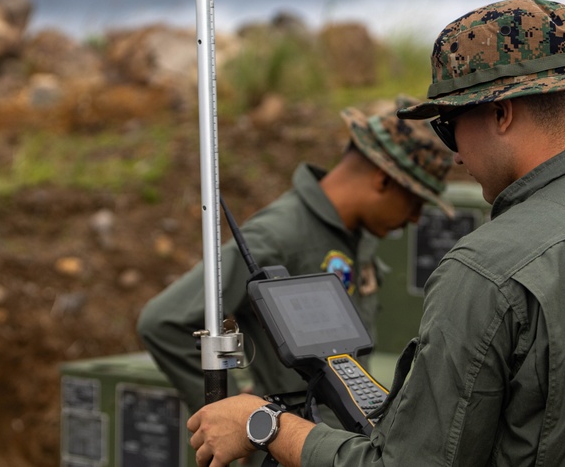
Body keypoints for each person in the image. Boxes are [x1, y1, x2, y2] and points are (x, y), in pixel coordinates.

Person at [188, 0, 565, 467]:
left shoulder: (490, 268)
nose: (456, 157)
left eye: (448, 126)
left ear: (500, 113)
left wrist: (266, 425)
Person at [137, 98, 454, 415]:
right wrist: (233, 410)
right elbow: (164, 321)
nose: (415, 219)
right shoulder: (278, 236)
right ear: (383, 179)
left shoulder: (359, 236)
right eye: (415, 202)